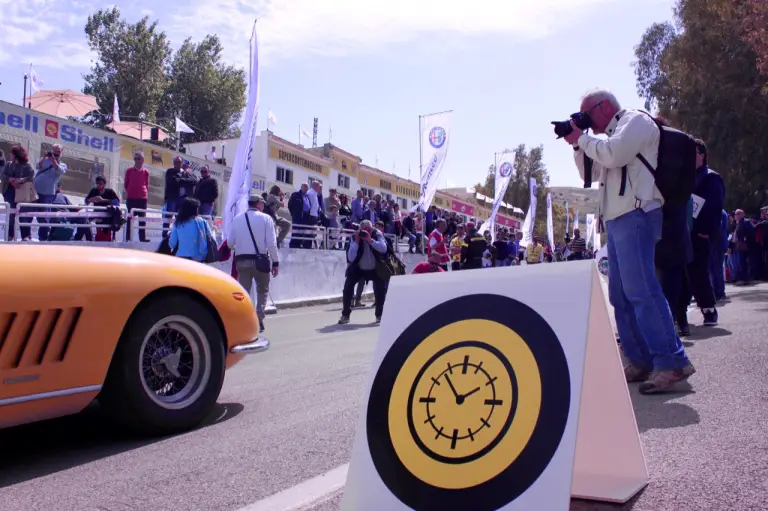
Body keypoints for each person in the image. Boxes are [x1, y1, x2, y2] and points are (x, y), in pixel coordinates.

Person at [565, 89, 694, 394]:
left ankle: (672, 360)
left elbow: (614, 154)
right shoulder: (606, 137)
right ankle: (641, 360)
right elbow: (593, 170)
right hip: (617, 218)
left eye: (587, 113)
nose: (585, 120)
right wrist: (576, 144)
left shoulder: (634, 121)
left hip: (636, 215)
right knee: (620, 296)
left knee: (642, 290)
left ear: (605, 106)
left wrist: (582, 138)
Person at [227, 193, 279, 333]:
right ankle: (259, 318)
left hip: (242, 261)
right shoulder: (266, 219)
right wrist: (275, 262)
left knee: (244, 292)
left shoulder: (237, 219)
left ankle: (244, 320)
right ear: (259, 204)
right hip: (261, 261)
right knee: (262, 291)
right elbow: (271, 244)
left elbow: (230, 243)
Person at [338, 220, 388, 325]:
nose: (365, 233)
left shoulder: (377, 233)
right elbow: (351, 258)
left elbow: (383, 249)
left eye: (368, 230)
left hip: (375, 268)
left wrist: (370, 240)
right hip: (359, 268)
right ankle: (345, 315)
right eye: (363, 231)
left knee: (380, 290)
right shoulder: (355, 236)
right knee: (347, 288)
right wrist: (356, 242)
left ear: (372, 228)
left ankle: (379, 315)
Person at [1, 145, 35, 240]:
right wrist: (10, 179)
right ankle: (9, 235)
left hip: (22, 192)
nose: (10, 154)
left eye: (12, 153)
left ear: (16, 154)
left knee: (23, 214)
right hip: (10, 192)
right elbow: (3, 175)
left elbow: (31, 176)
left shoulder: (27, 166)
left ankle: (25, 236)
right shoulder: (9, 164)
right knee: (11, 214)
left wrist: (20, 180)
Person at [169, 197, 214, 263]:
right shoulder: (202, 222)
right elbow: (211, 239)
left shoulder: (178, 223)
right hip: (198, 259)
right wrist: (214, 231)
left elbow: (172, 244)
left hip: (181, 259)